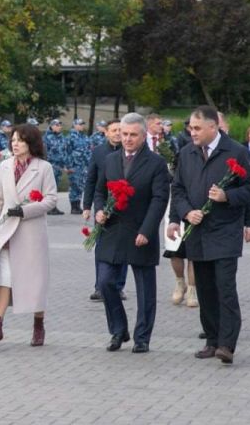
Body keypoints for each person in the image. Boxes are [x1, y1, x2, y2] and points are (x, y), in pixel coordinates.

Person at [168, 105, 250, 365]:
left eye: (197, 128)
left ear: (213, 127)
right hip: (197, 231)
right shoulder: (187, 153)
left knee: (225, 288)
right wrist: (186, 213)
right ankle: (211, 340)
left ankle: (227, 345)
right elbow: (177, 190)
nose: (192, 132)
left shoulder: (237, 152)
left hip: (225, 231)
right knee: (205, 289)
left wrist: (227, 196)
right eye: (190, 127)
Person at [93, 113, 171, 353]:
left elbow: (159, 199)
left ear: (144, 135)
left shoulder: (156, 163)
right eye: (124, 134)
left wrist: (147, 230)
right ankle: (118, 330)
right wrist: (99, 212)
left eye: (133, 135)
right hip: (112, 230)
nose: (127, 139)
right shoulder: (110, 160)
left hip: (140, 231)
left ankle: (142, 337)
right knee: (105, 282)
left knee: (145, 289)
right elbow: (99, 191)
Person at [0, 123, 57, 347]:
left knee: (35, 282)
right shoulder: (4, 166)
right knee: (4, 279)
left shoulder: (43, 168)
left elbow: (51, 200)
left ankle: (38, 325)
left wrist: (25, 210)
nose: (15, 144)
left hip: (31, 233)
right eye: (13, 140)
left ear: (31, 143)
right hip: (7, 232)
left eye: (20, 140)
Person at [83, 119, 127, 302]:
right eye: (114, 130)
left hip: (124, 206)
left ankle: (118, 286)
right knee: (101, 245)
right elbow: (92, 179)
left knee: (123, 248)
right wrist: (87, 206)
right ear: (106, 133)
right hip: (103, 206)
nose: (117, 133)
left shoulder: (129, 152)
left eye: (120, 130)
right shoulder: (99, 152)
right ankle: (100, 286)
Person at [66, 119, 92, 214]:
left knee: (80, 185)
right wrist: (68, 166)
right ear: (74, 125)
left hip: (84, 166)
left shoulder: (85, 137)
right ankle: (74, 207)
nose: (82, 126)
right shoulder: (70, 137)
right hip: (74, 165)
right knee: (74, 186)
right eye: (80, 124)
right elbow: (67, 152)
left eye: (83, 124)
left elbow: (89, 150)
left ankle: (77, 205)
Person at [42, 119, 67, 215]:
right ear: (52, 126)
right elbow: (44, 152)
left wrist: (64, 164)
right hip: (51, 165)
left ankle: (53, 206)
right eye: (57, 125)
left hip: (59, 166)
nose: (59, 127)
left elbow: (63, 151)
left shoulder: (61, 137)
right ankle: (49, 207)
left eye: (60, 125)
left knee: (55, 187)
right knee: (49, 188)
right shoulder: (46, 137)